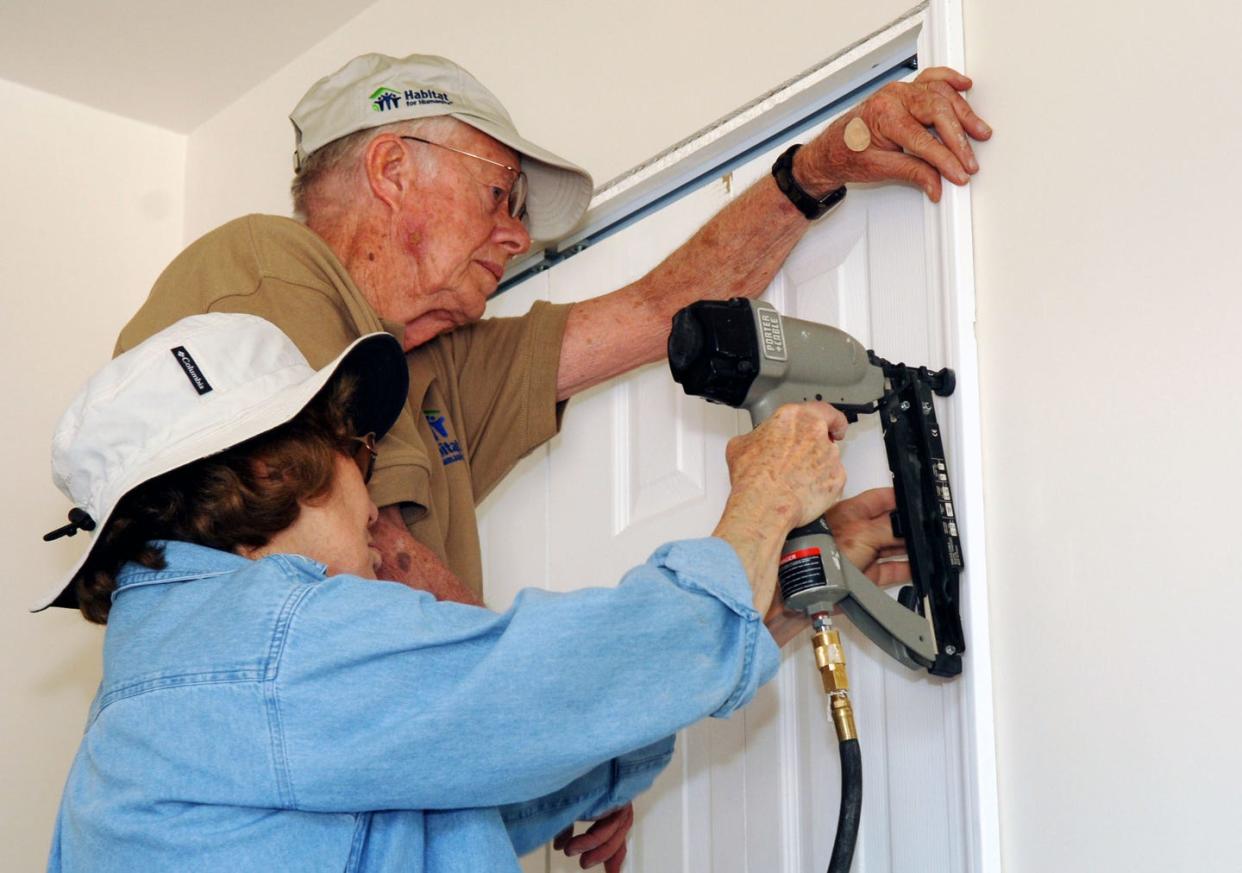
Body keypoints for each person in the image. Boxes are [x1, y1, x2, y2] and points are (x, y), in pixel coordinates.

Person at [108, 52, 984, 866]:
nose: (517, 237)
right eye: (501, 196)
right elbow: (375, 592)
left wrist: (821, 165)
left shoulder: (434, 365)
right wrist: (587, 715)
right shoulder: (264, 270)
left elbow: (664, 310)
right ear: (392, 169)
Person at [41, 313, 869, 873]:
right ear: (271, 470)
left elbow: (437, 808)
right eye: (354, 446)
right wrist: (764, 499)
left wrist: (780, 600)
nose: (373, 504)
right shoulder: (270, 644)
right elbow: (545, 681)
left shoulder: (168, 691)